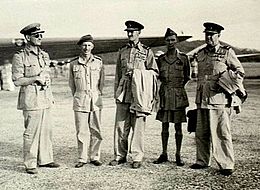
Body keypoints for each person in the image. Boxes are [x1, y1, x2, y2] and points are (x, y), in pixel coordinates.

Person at [190, 22, 246, 176]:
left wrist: (229, 82)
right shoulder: (200, 54)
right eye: (206, 34)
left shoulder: (226, 52)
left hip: (219, 99)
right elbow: (195, 75)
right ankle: (202, 161)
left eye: (212, 34)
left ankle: (226, 163)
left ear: (218, 36)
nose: (208, 37)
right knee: (201, 132)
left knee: (222, 132)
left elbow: (240, 71)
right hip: (202, 98)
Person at [109, 20, 158, 169]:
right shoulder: (122, 51)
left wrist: (138, 74)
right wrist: (116, 94)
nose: (130, 34)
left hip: (139, 94)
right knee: (120, 126)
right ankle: (120, 156)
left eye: (133, 31)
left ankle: (137, 157)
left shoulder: (146, 51)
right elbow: (118, 74)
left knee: (138, 127)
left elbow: (154, 73)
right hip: (124, 94)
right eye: (128, 31)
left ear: (139, 33)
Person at [12, 23, 59, 174]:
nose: (40, 37)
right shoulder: (20, 56)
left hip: (45, 98)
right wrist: (36, 78)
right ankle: (30, 163)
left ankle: (45, 159)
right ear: (27, 37)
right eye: (36, 35)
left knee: (47, 130)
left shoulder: (44, 55)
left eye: (41, 35)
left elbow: (46, 75)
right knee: (31, 132)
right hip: (31, 100)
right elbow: (17, 80)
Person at [153, 28, 190, 166]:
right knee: (164, 126)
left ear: (177, 41)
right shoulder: (161, 59)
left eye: (173, 40)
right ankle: (164, 153)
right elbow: (158, 76)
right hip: (165, 94)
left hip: (178, 95)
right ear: (165, 41)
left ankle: (178, 154)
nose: (170, 42)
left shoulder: (184, 59)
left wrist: (177, 88)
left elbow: (187, 77)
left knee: (178, 127)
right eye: (168, 40)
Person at [69, 35, 104, 168]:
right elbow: (72, 84)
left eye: (89, 45)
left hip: (95, 99)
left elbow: (102, 82)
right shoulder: (73, 63)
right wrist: (79, 95)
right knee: (81, 131)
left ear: (92, 46)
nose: (86, 48)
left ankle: (95, 157)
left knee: (96, 130)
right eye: (84, 45)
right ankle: (82, 158)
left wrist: (97, 94)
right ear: (80, 46)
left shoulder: (99, 62)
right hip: (80, 99)